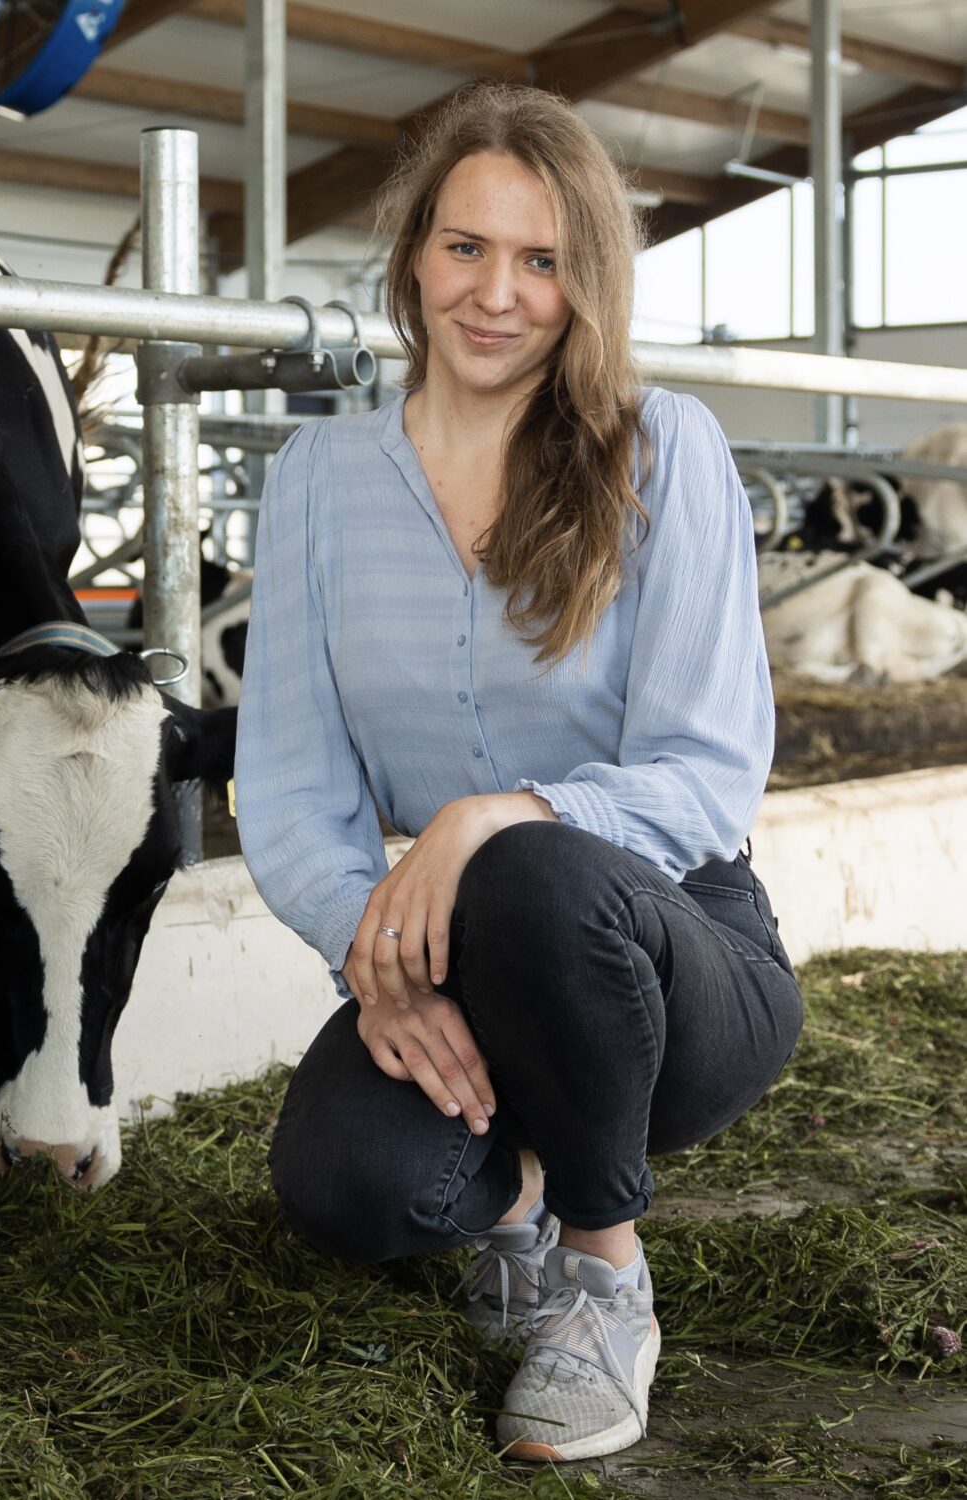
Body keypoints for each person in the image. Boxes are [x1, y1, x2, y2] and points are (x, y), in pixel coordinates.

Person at [235, 82, 803, 1464]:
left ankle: (603, 1276)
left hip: (673, 961)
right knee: (346, 1191)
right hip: (457, 961)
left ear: (585, 280)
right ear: (413, 258)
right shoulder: (316, 479)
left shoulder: (662, 449)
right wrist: (376, 963)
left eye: (541, 260)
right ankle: (510, 1210)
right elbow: (295, 792)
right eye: (466, 248)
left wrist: (491, 819)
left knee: (536, 868)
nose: (497, 295)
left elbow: (708, 773)